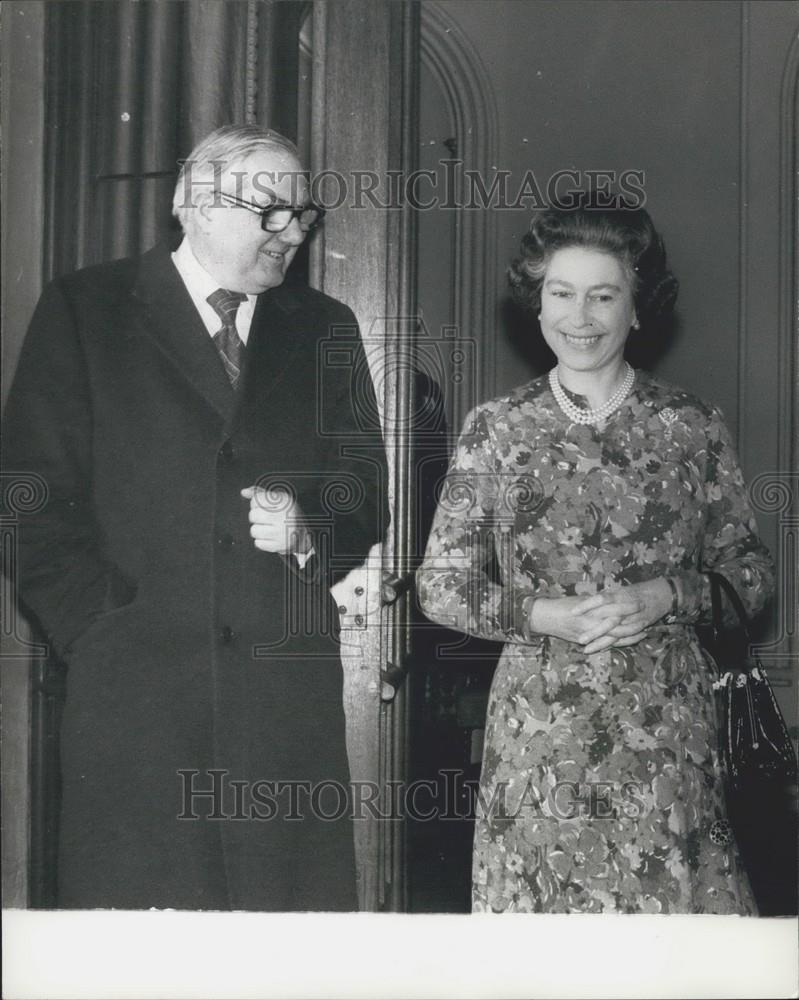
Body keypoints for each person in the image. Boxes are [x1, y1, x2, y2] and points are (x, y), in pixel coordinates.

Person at [4, 124, 389, 910]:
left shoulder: (325, 329)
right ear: (195, 203)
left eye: (302, 216)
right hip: (136, 707)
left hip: (280, 720)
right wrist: (98, 628)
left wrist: (312, 530)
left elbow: (364, 491)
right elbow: (27, 494)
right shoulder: (87, 308)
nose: (291, 233)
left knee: (284, 961)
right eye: (270, 212)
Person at [416, 201, 775, 914]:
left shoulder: (689, 425)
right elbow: (440, 585)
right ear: (536, 303)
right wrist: (541, 612)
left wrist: (668, 596)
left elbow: (750, 573)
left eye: (603, 296)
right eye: (560, 293)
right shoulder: (497, 429)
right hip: (539, 733)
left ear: (637, 310)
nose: (579, 317)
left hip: (665, 729)